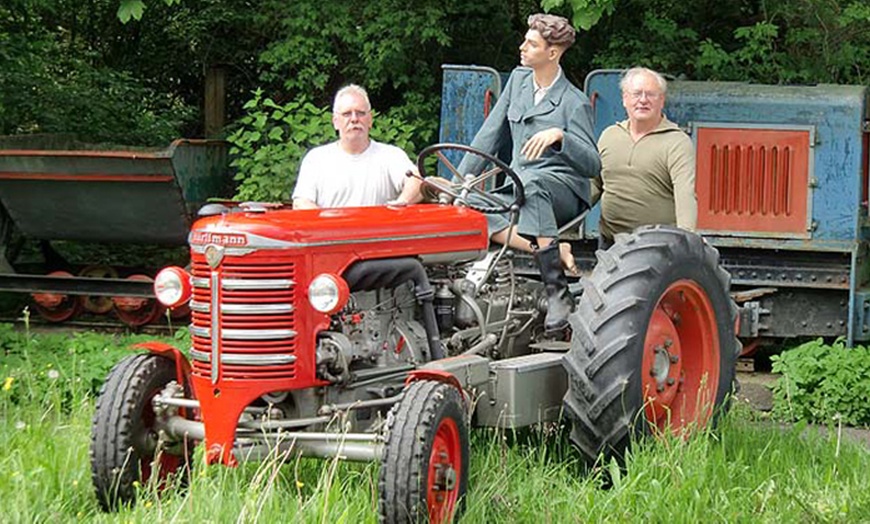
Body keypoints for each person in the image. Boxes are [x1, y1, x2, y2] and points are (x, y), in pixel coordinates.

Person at [456, 13, 600, 334]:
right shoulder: (518, 82)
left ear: (552, 53)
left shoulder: (573, 102)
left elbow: (592, 164)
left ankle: (557, 291)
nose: (522, 47)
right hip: (521, 187)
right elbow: (490, 134)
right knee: (472, 208)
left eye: (531, 43)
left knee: (533, 184)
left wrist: (560, 136)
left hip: (563, 191)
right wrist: (461, 182)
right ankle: (552, 249)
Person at [594, 67, 696, 249]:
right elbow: (594, 185)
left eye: (650, 94)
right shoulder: (609, 136)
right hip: (610, 244)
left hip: (658, 246)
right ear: (625, 99)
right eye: (636, 94)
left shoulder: (677, 142)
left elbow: (685, 193)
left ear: (662, 100)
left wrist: (687, 240)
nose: (643, 100)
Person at [292, 84, 422, 209]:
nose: (354, 119)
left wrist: (402, 203)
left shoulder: (391, 156)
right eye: (347, 114)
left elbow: (417, 182)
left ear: (370, 119)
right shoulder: (316, 159)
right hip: (331, 230)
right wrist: (329, 225)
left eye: (360, 113)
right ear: (335, 122)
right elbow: (301, 203)